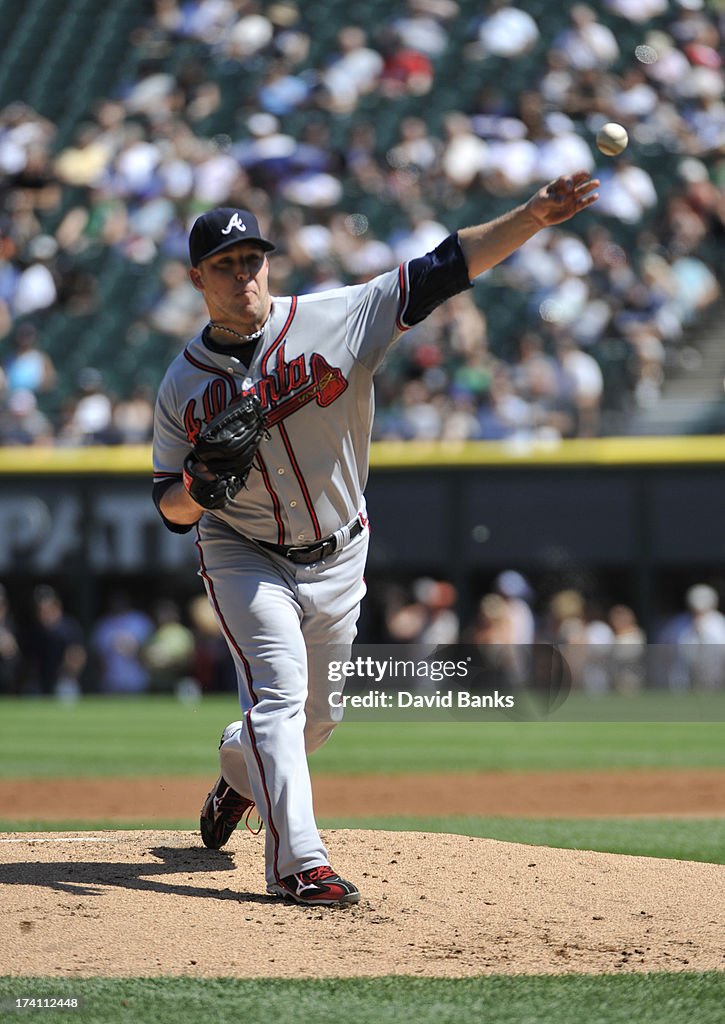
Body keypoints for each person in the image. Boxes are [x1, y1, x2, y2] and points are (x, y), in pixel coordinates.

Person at [151, 172, 599, 906]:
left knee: (318, 719)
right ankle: (300, 864)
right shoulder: (181, 385)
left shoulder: (338, 317)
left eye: (252, 260)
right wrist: (199, 486)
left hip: (338, 548)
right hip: (242, 552)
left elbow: (445, 267)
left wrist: (529, 218)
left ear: (269, 263)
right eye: (225, 266)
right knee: (279, 702)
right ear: (196, 278)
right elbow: (169, 508)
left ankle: (241, 776)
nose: (243, 276)